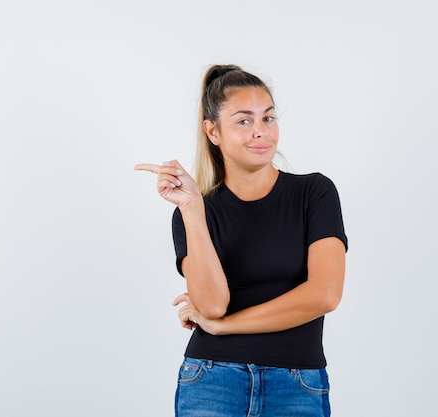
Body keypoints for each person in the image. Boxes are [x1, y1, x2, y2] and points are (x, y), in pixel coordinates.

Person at [134, 64, 348, 417]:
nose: (260, 132)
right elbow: (212, 305)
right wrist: (191, 206)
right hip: (212, 380)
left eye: (268, 118)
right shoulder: (195, 213)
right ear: (213, 131)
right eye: (244, 121)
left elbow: (324, 294)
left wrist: (225, 327)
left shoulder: (314, 192)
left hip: (296, 384)